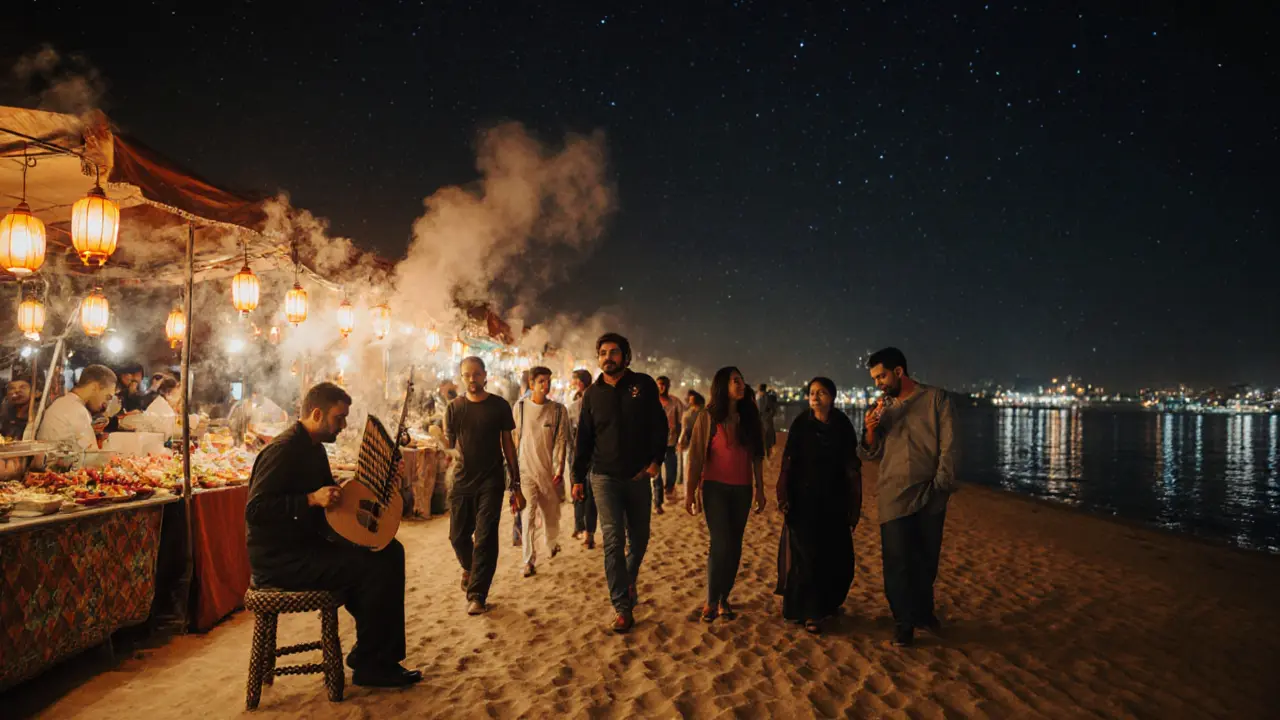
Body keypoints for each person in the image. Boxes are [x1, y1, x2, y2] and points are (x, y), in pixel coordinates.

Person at [245, 382, 421, 688]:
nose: (343, 425)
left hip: (305, 548)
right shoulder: (284, 450)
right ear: (316, 413)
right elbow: (256, 509)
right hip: (281, 560)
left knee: (388, 551)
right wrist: (311, 499)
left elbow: (331, 501)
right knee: (375, 566)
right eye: (339, 418)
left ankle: (372, 655)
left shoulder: (313, 448)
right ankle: (373, 662)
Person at [858, 347, 959, 647]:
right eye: (875, 378)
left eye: (881, 376)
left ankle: (923, 612)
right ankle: (903, 622)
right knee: (897, 561)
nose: (878, 383)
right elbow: (870, 453)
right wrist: (870, 430)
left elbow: (950, 447)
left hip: (930, 493)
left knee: (926, 561)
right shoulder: (882, 408)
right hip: (892, 493)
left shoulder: (936, 399)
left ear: (899, 372)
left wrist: (940, 486)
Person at [572, 333, 667, 633]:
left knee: (639, 538)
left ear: (626, 356)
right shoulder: (592, 395)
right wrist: (577, 477)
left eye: (614, 352)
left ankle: (627, 581)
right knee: (613, 539)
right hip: (603, 476)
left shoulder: (644, 385)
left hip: (638, 475)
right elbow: (584, 439)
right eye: (602, 353)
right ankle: (621, 607)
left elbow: (659, 426)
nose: (608, 358)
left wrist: (655, 462)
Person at [775, 377, 862, 634]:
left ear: (832, 397)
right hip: (803, 501)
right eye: (812, 393)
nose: (815, 397)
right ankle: (810, 612)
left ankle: (827, 604)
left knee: (837, 558)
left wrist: (855, 503)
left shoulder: (842, 425)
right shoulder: (801, 424)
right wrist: (783, 495)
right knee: (807, 557)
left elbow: (851, 466)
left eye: (821, 392)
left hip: (834, 502)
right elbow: (788, 462)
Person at [444, 357, 526, 615]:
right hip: (461, 480)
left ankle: (478, 594)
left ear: (485, 375)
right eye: (467, 375)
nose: (472, 379)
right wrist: (443, 448)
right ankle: (470, 568)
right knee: (457, 536)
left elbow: (508, 445)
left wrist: (515, 481)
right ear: (461, 377)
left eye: (476, 374)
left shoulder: (499, 406)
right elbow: (450, 445)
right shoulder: (454, 408)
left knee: (486, 536)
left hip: (491, 480)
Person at [685, 367, 766, 622]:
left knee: (734, 545)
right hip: (715, 488)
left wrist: (760, 489)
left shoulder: (750, 417)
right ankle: (711, 599)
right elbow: (696, 455)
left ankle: (724, 598)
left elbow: (757, 456)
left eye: (741, 380)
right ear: (722, 386)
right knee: (720, 543)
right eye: (735, 381)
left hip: (742, 489)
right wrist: (689, 493)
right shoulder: (708, 417)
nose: (741, 385)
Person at [513, 366, 570, 577]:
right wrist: (513, 473)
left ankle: (552, 542)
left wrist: (559, 467)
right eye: (541, 382)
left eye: (548, 381)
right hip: (526, 471)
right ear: (531, 384)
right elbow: (514, 439)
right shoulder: (519, 408)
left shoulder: (558, 411)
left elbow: (561, 441)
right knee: (527, 516)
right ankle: (528, 560)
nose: (546, 386)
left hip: (548, 472)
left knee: (551, 514)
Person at [37, 364, 116, 451]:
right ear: (94, 387)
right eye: (107, 397)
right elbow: (93, 456)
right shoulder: (78, 410)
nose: (106, 404)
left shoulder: (63, 402)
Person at [566, 369, 598, 548]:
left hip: (589, 456)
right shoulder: (574, 405)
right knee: (582, 492)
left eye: (575, 380)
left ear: (580, 383)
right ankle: (584, 530)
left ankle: (586, 532)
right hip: (581, 455)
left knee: (584, 493)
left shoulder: (579, 406)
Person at [654, 376, 685, 513]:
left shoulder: (675, 402)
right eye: (659, 385)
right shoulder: (650, 402)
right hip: (654, 442)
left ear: (667, 386)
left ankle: (669, 488)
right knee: (656, 474)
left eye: (663, 385)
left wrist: (681, 439)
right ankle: (658, 503)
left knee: (672, 469)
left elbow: (682, 421)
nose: (661, 387)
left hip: (671, 441)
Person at [677, 391, 705, 489]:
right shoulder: (689, 413)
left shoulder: (702, 412)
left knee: (689, 469)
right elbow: (683, 430)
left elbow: (683, 431)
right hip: (692, 444)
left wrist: (680, 442)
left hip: (698, 444)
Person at [757, 383, 779, 458]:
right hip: (766, 421)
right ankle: (768, 455)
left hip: (764, 421)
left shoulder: (762, 399)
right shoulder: (768, 398)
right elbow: (773, 410)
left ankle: (767, 455)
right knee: (768, 440)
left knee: (766, 439)